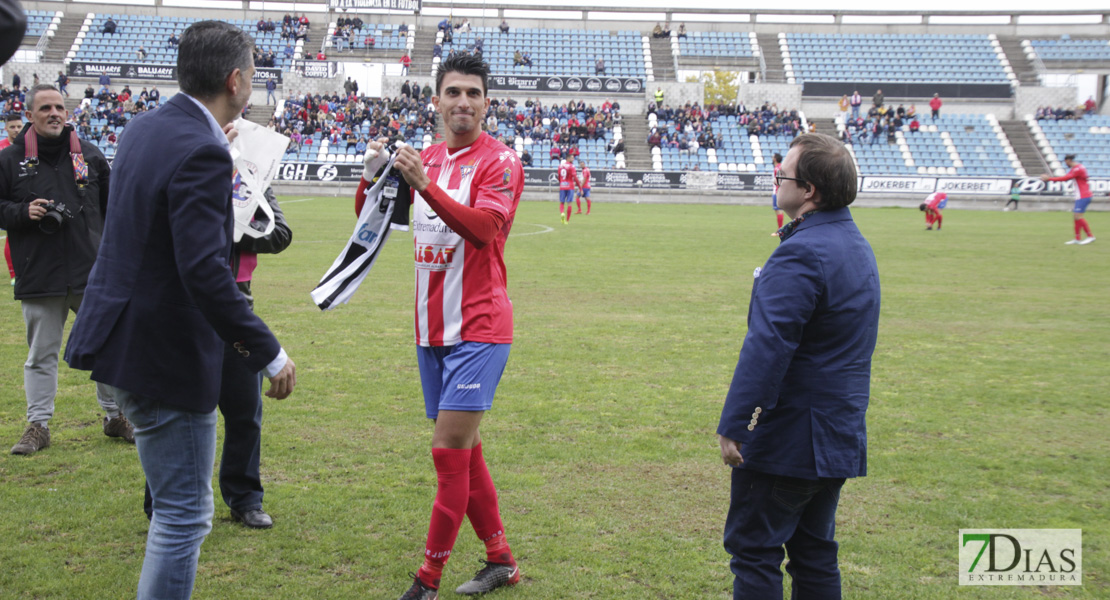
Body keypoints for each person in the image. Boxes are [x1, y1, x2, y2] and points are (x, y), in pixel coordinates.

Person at [63, 21, 297, 599]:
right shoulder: (202, 149)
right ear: (235, 79)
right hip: (163, 353)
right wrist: (268, 352)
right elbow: (202, 272)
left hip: (125, 342)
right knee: (184, 516)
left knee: (174, 509)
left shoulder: (145, 128)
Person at [361, 53, 523, 600]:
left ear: (485, 103)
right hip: (431, 328)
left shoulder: (500, 162)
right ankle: (501, 559)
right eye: (453, 92)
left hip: (480, 327)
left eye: (473, 94)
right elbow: (379, 221)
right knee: (466, 452)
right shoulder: (425, 155)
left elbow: (482, 230)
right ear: (436, 100)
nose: (463, 103)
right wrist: (370, 180)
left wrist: (425, 185)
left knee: (447, 452)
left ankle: (425, 583)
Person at [718, 132, 880, 600]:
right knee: (813, 550)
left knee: (755, 549)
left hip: (793, 436)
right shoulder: (855, 243)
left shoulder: (803, 251)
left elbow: (768, 346)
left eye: (782, 173)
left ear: (808, 189)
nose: (775, 178)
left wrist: (735, 423)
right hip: (837, 432)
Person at [143, 186, 292, 529]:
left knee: (244, 414)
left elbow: (280, 234)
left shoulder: (255, 178)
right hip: (180, 312)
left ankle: (245, 499)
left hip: (235, 314)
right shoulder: (183, 169)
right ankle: (160, 501)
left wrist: (234, 228)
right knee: (172, 412)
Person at [0, 84, 130, 455]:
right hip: (39, 273)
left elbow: (112, 210)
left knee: (105, 347)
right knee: (41, 354)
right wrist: (23, 213)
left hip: (91, 273)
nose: (54, 113)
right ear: (30, 115)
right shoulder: (10, 161)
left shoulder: (88, 156)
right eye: (45, 108)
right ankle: (37, 425)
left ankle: (115, 416)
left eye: (59, 107)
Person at [1042, 154, 1095, 245]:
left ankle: (1090, 236)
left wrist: (1049, 179)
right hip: (1081, 196)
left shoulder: (1077, 169)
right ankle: (1077, 238)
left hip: (1083, 195)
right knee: (1076, 217)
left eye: (1065, 162)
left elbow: (1066, 178)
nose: (1065, 164)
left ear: (1068, 161)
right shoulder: (1078, 168)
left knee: (1078, 217)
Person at [558, 155, 576, 224]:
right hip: (570, 186)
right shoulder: (572, 166)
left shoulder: (560, 166)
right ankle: (567, 220)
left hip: (562, 185)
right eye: (572, 158)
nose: (573, 159)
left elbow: (559, 177)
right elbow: (575, 177)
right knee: (569, 203)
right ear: (568, 158)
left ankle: (562, 213)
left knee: (562, 202)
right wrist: (580, 187)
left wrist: (561, 183)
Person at [770, 152, 784, 235]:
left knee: (778, 211)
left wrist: (778, 191)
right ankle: (780, 230)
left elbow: (779, 181)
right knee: (778, 211)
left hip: (777, 191)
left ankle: (779, 231)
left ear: (775, 159)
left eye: (773, 157)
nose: (772, 158)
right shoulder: (778, 167)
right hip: (777, 191)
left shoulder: (777, 168)